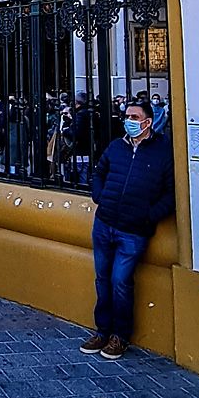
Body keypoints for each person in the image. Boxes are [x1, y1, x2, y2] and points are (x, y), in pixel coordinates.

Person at [80, 98, 174, 360]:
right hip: (105, 222)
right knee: (102, 278)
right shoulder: (116, 146)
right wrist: (99, 195)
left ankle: (120, 336)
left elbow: (171, 193)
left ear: (148, 120)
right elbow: (99, 172)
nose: (129, 121)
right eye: (127, 116)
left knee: (120, 281)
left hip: (134, 229)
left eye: (134, 117)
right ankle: (102, 330)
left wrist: (149, 216)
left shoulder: (163, 151)